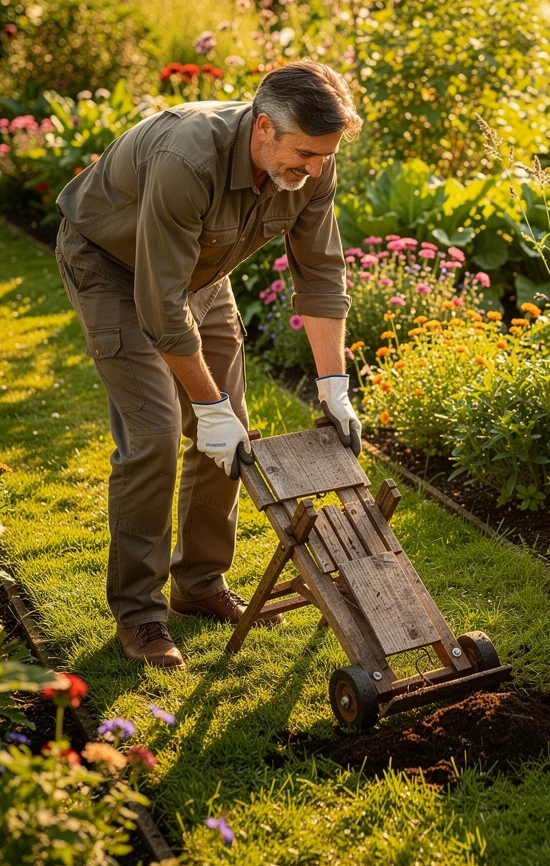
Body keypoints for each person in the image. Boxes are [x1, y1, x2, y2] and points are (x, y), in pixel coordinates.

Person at [54, 59, 363, 670]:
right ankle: (141, 616)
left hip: (198, 272)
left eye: (325, 157)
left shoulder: (309, 165)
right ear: (264, 127)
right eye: (305, 154)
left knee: (230, 433)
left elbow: (322, 275)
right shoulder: (187, 157)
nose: (316, 169)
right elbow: (160, 305)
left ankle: (198, 585)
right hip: (112, 267)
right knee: (154, 438)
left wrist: (334, 388)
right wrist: (207, 403)